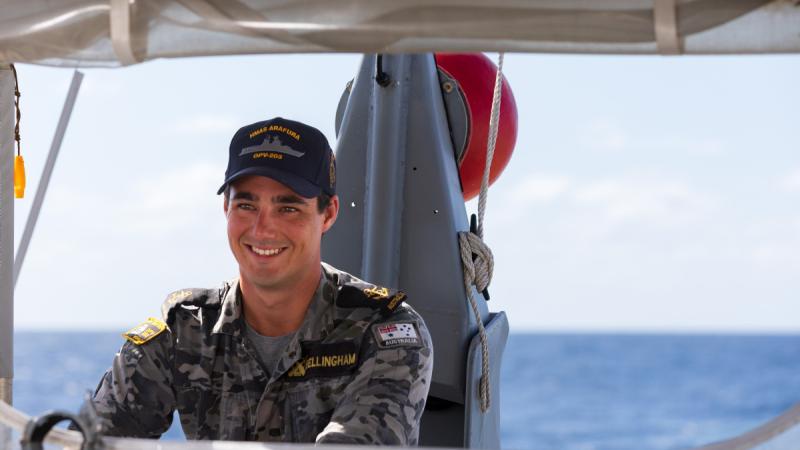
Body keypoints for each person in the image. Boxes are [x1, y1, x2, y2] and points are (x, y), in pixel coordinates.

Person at [88, 117, 433, 445]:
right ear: (226, 207)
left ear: (328, 213)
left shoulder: (384, 332)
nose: (262, 229)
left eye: (288, 208)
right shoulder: (183, 330)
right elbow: (92, 441)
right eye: (246, 205)